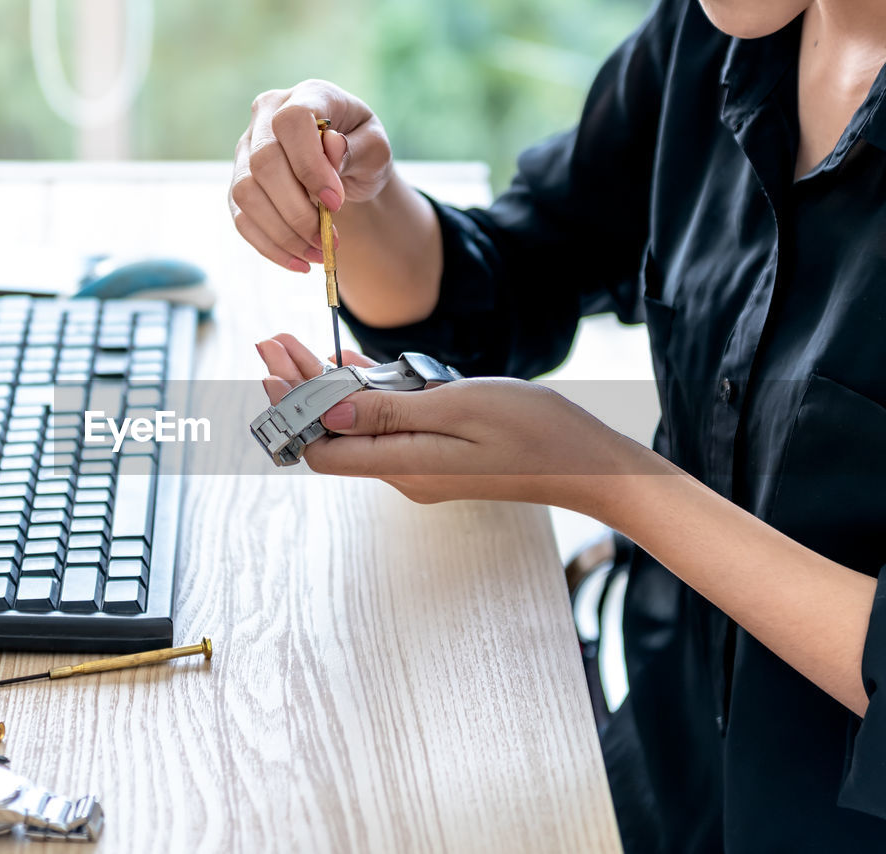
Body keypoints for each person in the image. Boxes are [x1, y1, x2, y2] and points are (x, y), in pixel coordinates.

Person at [228, 0, 886, 850]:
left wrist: (607, 480)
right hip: (652, 782)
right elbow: (521, 273)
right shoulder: (726, 27)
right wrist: (365, 199)